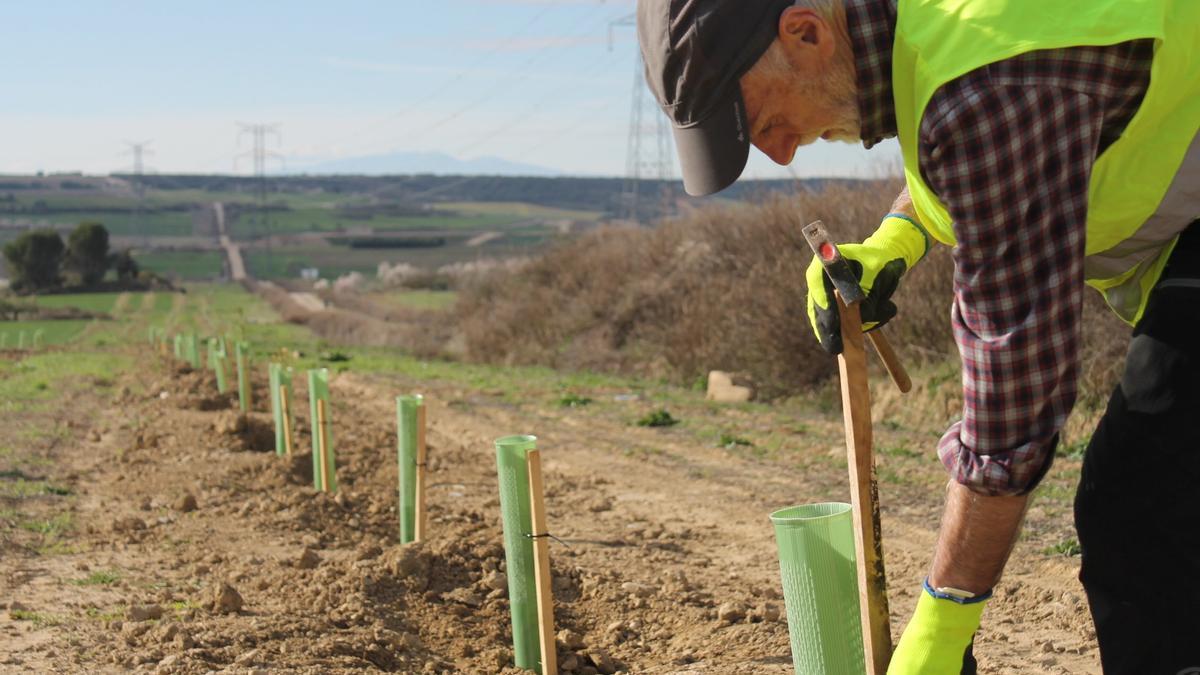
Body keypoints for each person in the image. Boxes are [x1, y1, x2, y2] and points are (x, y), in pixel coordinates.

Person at [635, 0, 1200, 672]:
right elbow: (986, 136)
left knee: (1141, 505)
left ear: (806, 31)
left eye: (768, 123)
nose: (782, 152)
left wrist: (940, 628)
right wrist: (894, 239)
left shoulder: (990, 81)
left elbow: (1012, 415)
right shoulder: (936, 33)